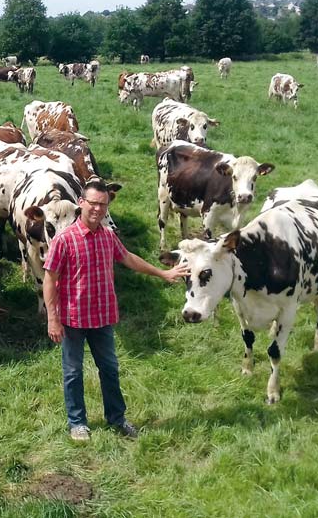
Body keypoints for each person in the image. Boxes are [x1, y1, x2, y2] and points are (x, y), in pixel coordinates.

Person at [43, 179, 189, 441]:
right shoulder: (64, 240)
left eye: (103, 205)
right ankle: (77, 423)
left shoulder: (108, 236)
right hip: (73, 319)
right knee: (73, 372)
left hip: (102, 317)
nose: (97, 209)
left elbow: (128, 258)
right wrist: (52, 319)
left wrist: (163, 273)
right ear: (81, 203)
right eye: (93, 203)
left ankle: (117, 418)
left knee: (109, 369)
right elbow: (49, 279)